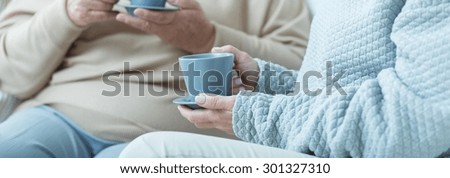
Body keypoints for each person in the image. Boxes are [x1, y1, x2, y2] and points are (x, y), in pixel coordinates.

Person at [119, 0, 450, 158]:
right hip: (326, 153)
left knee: (153, 153)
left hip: (371, 161)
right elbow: (337, 89)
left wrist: (253, 115)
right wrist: (264, 79)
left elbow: (401, 127)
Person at [0, 0, 310, 157]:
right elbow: (10, 75)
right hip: (59, 115)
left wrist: (206, 37)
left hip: (178, 133)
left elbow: (303, 74)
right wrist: (67, 13)